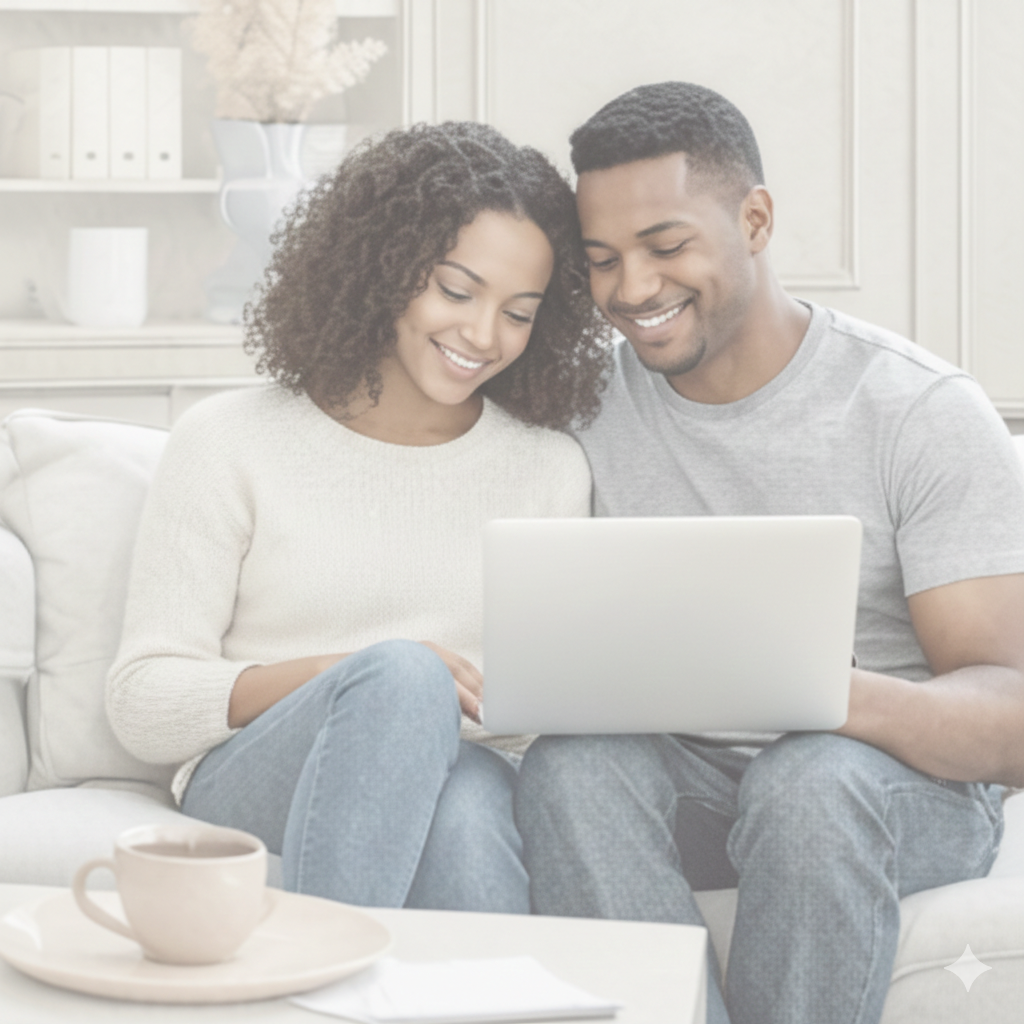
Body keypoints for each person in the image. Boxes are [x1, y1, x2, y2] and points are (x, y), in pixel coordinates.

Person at [513, 82, 1024, 1024]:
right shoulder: (582, 405)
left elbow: (1011, 717)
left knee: (808, 780)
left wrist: (827, 694)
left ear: (755, 219)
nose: (632, 290)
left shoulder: (917, 411)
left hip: (887, 784)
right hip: (694, 776)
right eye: (604, 261)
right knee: (568, 768)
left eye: (667, 247)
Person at [107, 121, 609, 914]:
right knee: (406, 677)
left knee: (469, 808)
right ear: (382, 267)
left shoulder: (547, 469)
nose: (483, 336)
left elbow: (538, 719)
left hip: (468, 768)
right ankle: (328, 964)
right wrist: (355, 674)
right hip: (255, 772)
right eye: (455, 290)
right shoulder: (229, 440)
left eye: (519, 312)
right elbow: (143, 701)